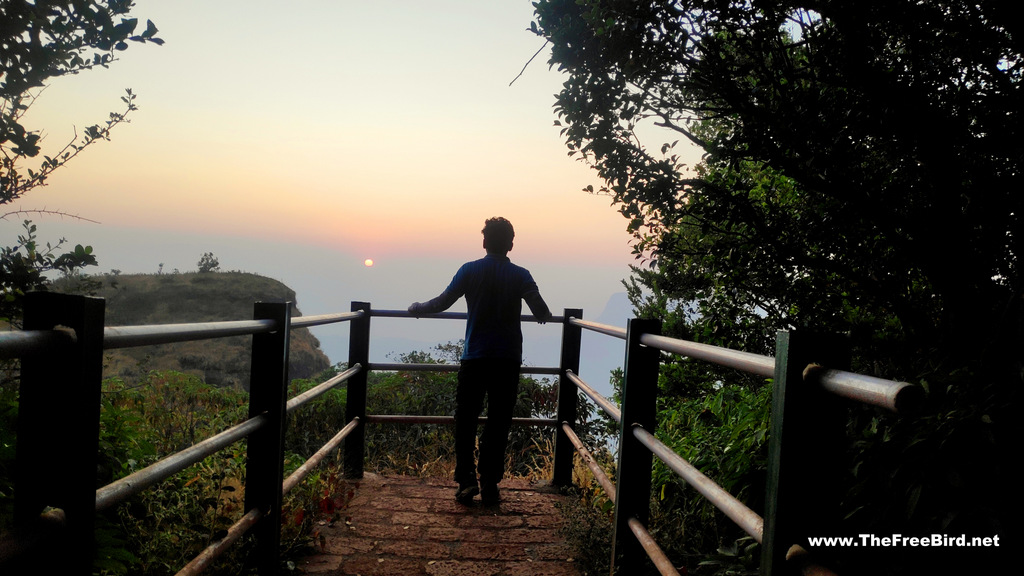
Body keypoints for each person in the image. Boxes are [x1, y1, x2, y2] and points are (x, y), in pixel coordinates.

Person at [408, 217, 552, 505]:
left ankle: (466, 481)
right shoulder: (522, 275)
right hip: (507, 359)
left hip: (475, 357)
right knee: (498, 422)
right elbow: (542, 312)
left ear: (484, 242)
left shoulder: (469, 270)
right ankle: (489, 482)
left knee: (465, 420)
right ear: (511, 244)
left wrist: (416, 308)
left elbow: (441, 302)